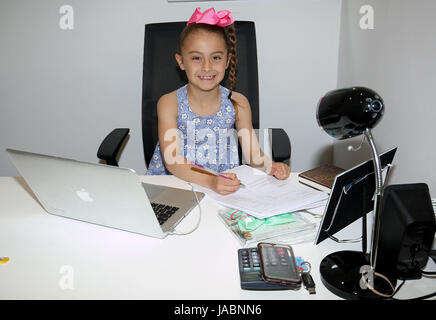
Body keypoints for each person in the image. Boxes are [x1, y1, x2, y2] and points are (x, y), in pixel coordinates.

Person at [146, 7, 290, 195]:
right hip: (175, 186)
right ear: (181, 62)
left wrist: (271, 166)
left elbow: (253, 155)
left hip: (222, 188)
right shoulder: (169, 103)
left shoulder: (238, 103)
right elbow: (173, 161)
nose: (207, 67)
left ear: (227, 60)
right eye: (197, 58)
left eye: (215, 58)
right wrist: (210, 181)